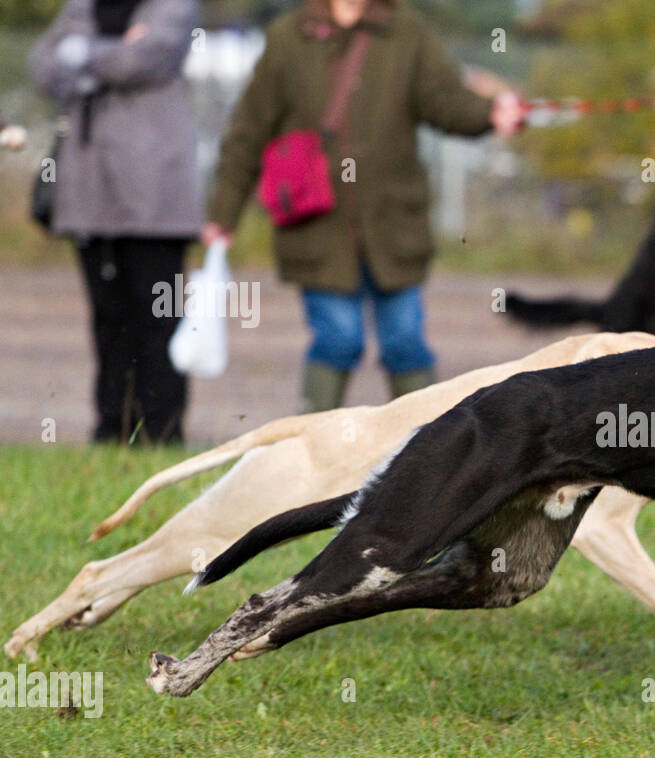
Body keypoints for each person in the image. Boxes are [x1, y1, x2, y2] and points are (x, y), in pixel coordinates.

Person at [203, 0, 525, 412]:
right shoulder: (289, 37)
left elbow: (445, 102)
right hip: (316, 226)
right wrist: (223, 213)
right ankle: (314, 455)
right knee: (338, 339)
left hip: (394, 227)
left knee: (405, 343)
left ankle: (424, 457)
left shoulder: (407, 32)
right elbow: (249, 130)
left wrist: (489, 113)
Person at [29, 0, 201, 444]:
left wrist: (81, 54)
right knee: (108, 317)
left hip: (156, 200)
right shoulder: (83, 5)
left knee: (158, 316)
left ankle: (161, 430)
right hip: (90, 195)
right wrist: (105, 53)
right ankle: (111, 428)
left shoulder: (172, 5)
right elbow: (43, 65)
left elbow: (147, 60)